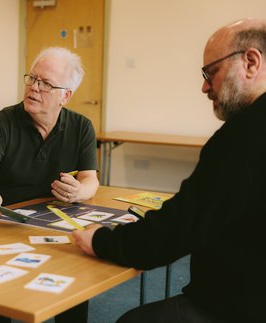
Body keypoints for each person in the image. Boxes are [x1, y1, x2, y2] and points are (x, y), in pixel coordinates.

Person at [73, 18, 266, 323]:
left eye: (210, 72)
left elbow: (180, 227)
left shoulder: (245, 134)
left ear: (251, 62)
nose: (204, 86)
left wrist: (102, 241)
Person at [0, 47, 99, 322]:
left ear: (66, 95)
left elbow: (91, 180)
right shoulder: (1, 122)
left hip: (54, 221)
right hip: (6, 223)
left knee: (77, 272)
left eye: (46, 83)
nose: (34, 88)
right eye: (32, 79)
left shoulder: (82, 126)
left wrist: (80, 191)